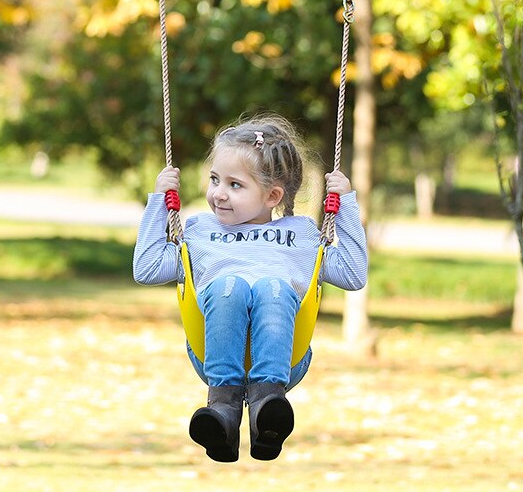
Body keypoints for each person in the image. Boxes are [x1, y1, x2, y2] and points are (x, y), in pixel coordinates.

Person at [133, 114, 368, 462]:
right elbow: (148, 268)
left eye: (235, 185)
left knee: (273, 286)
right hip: (213, 354)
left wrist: (345, 204)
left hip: (285, 358)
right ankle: (222, 412)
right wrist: (159, 200)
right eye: (215, 179)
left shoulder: (300, 234)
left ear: (272, 195)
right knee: (230, 285)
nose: (219, 194)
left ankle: (268, 406)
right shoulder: (199, 232)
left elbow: (352, 273)